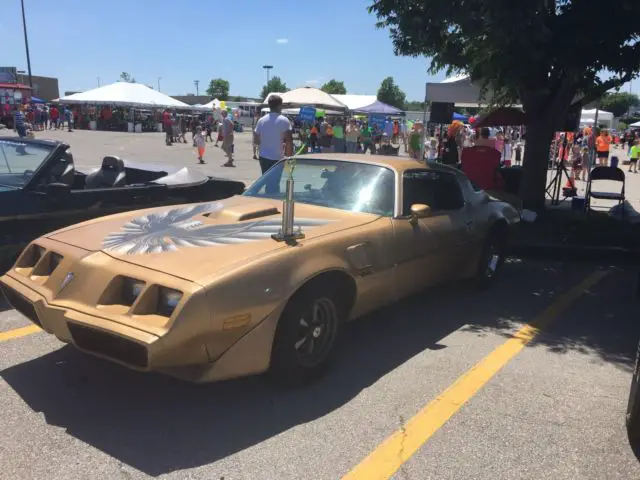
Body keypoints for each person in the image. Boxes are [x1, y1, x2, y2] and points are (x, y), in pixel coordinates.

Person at [253, 94, 293, 175]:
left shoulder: (261, 120)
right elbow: (289, 141)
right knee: (275, 182)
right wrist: (289, 158)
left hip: (263, 157)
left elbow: (256, 141)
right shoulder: (284, 120)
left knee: (266, 180)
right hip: (277, 158)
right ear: (279, 105)